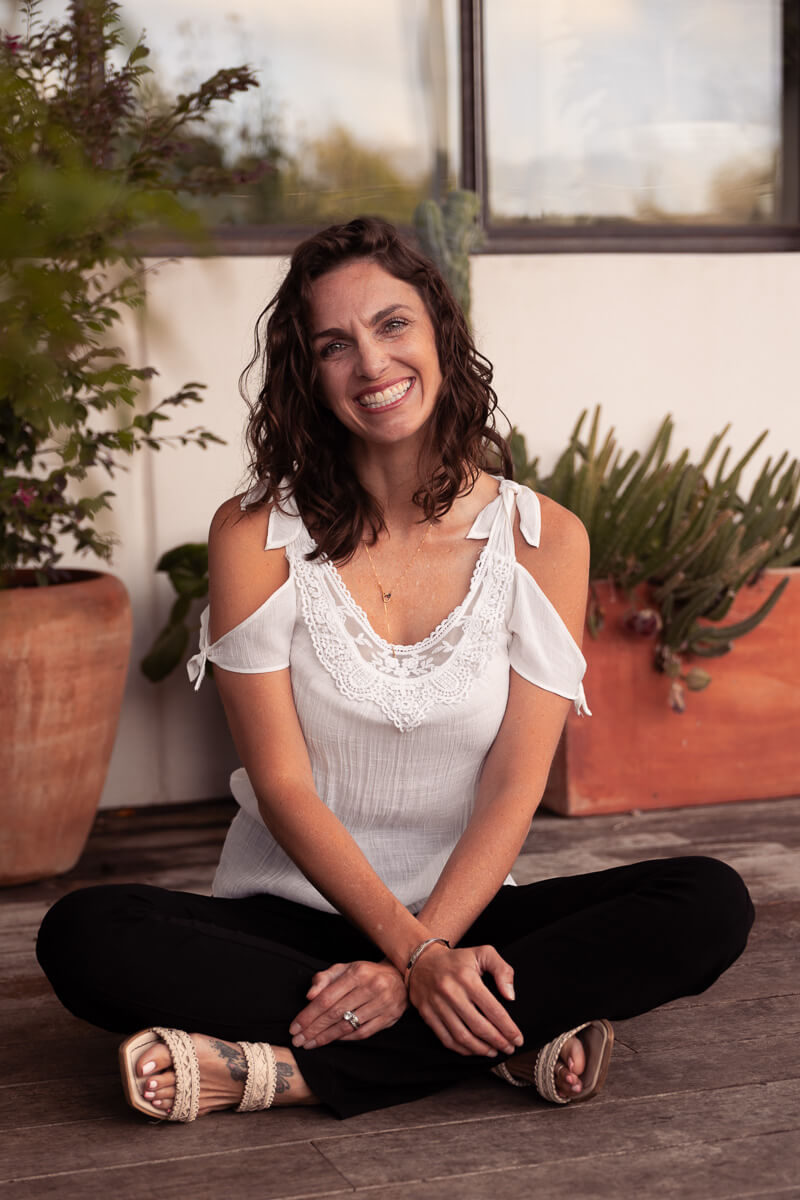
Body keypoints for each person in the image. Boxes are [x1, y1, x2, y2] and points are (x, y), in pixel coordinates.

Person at [37, 217, 754, 1123]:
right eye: (334, 345)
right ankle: (502, 1041)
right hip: (290, 917)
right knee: (86, 937)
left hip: (469, 912)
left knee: (709, 903)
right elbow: (284, 785)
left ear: (440, 335)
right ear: (310, 374)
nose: (371, 364)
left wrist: (428, 947)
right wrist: (413, 961)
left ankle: (288, 1071)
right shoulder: (256, 535)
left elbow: (512, 784)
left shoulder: (543, 539)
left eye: (392, 325)